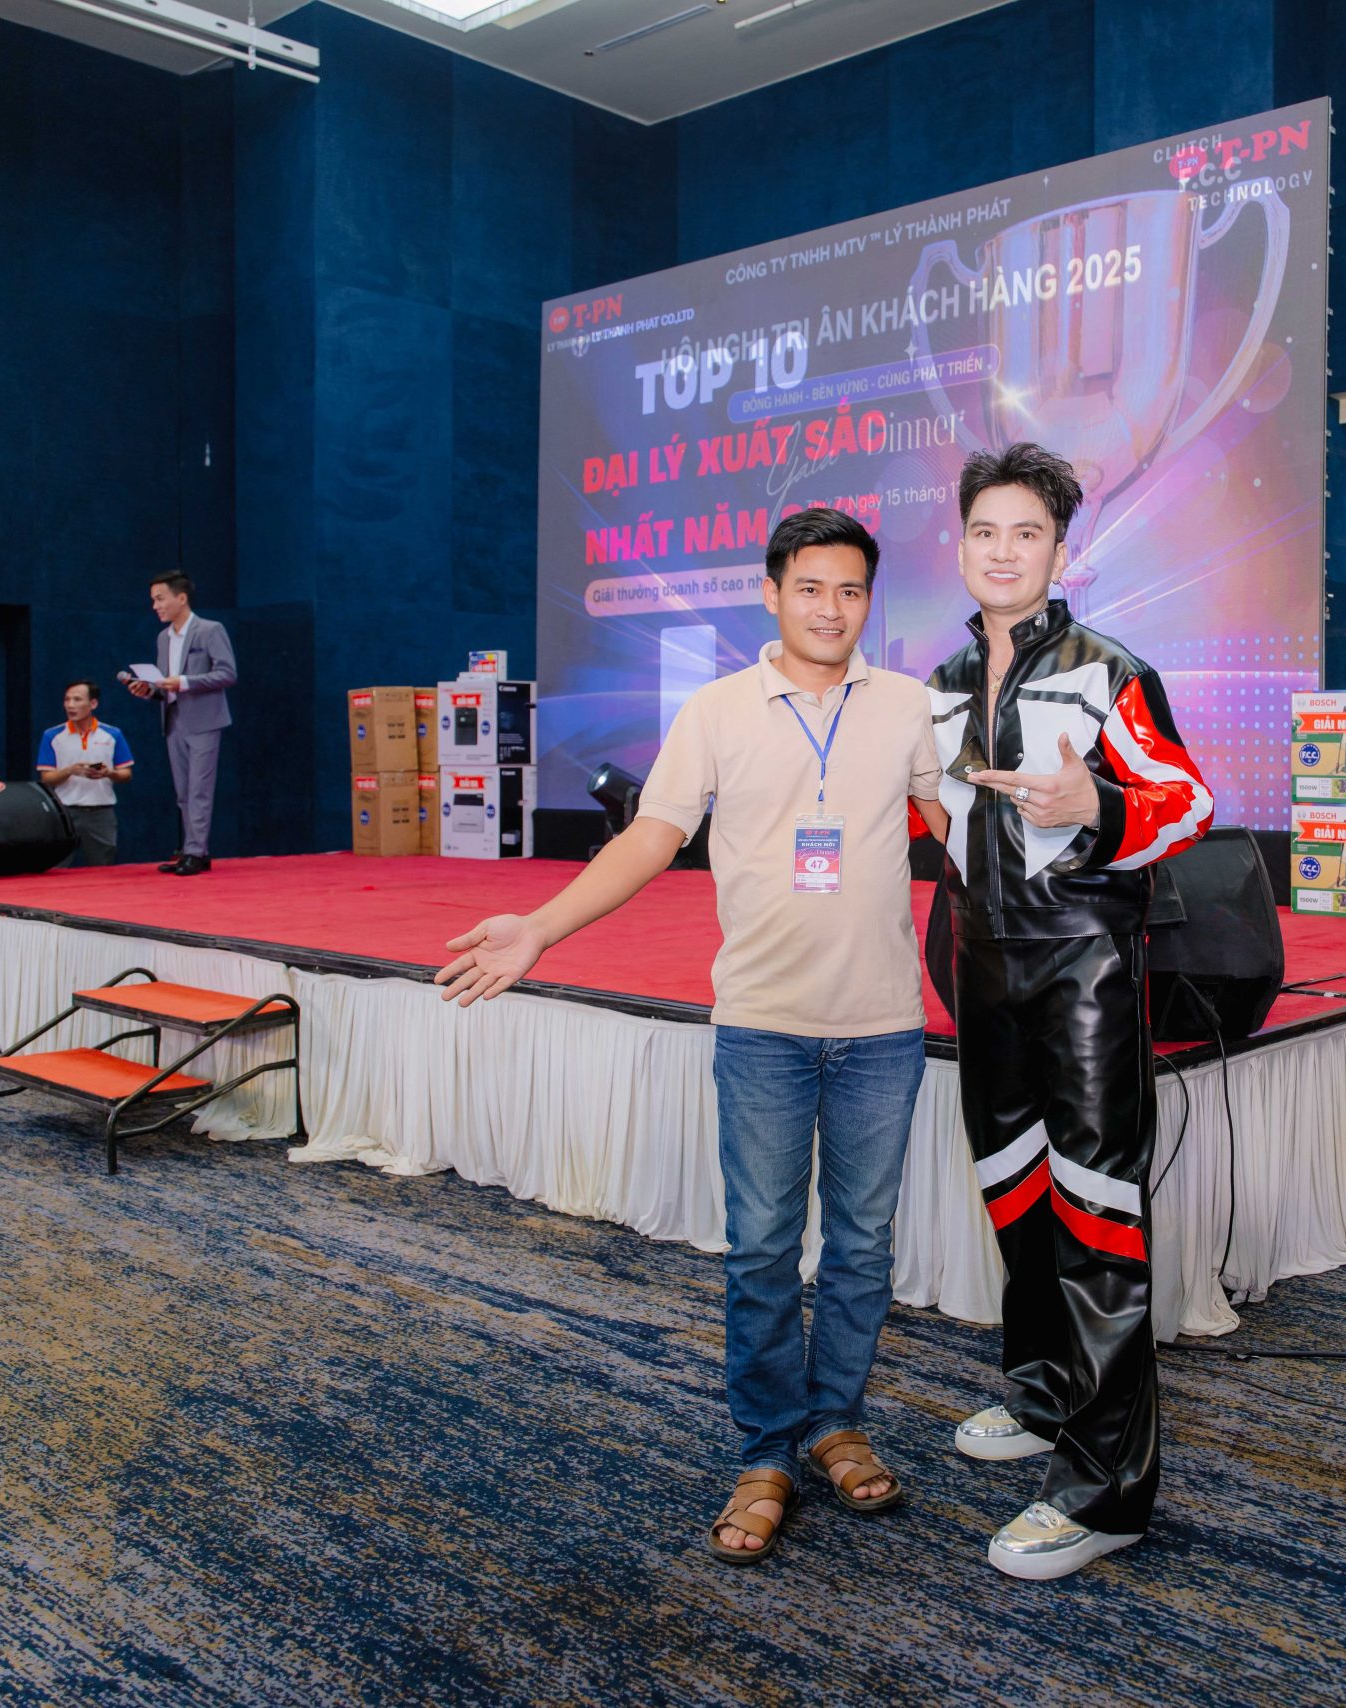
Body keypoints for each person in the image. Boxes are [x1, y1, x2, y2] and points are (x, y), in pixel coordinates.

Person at [434, 506, 947, 1566]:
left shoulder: (909, 706)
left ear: (870, 600)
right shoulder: (716, 710)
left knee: (861, 1248)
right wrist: (540, 927)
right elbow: (652, 839)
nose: (831, 609)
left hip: (882, 1028)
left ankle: (837, 1424)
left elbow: (965, 834)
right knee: (763, 1249)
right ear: (771, 592)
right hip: (760, 1025)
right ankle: (767, 1450)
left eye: (851, 591)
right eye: (811, 588)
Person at [925, 441, 1214, 1581]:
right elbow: (938, 821)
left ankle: (1105, 1490)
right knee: (1014, 1193)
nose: (1003, 552)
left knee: (1097, 1214)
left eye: (1027, 534)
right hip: (980, 966)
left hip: (1085, 965)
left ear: (1060, 551)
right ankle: (1045, 1393)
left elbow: (1186, 800)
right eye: (985, 531)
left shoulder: (1109, 672)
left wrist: (1096, 800)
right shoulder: (939, 684)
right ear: (959, 543)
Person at [122, 572, 234, 876]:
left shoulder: (210, 630)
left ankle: (195, 851)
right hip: (173, 719)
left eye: (160, 599)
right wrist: (149, 690)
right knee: (184, 791)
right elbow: (164, 684)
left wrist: (183, 682)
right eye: (153, 600)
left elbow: (227, 673)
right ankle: (195, 849)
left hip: (204, 720)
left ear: (181, 598)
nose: (155, 606)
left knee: (199, 789)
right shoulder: (164, 638)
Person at [36, 679, 135, 866]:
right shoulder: (52, 735)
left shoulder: (112, 734)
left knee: (102, 868)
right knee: (57, 868)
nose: (70, 705)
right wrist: (70, 770)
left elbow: (126, 774)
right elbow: (46, 778)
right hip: (64, 812)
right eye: (67, 700)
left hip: (101, 813)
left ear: (93, 704)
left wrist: (108, 773)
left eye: (77, 699)